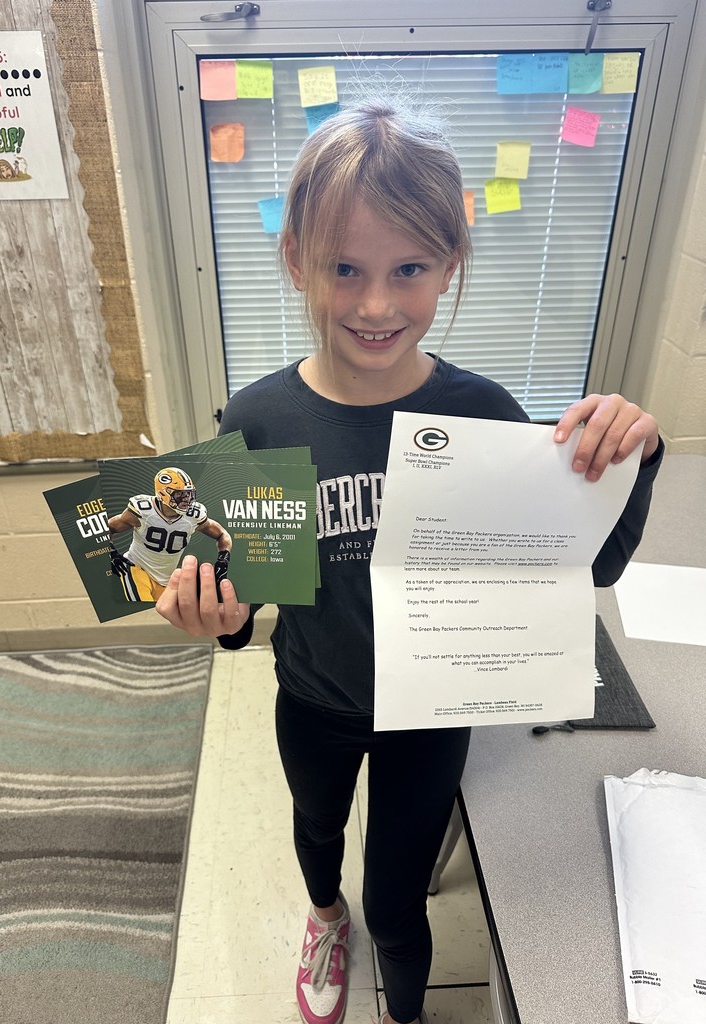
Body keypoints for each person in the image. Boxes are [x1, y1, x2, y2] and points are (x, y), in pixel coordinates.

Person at [156, 102, 663, 1024]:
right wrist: (220, 621)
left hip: (432, 717)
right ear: (296, 259)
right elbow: (248, 599)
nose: (376, 303)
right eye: (343, 267)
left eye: (409, 269)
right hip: (312, 696)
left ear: (449, 266)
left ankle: (403, 1009)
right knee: (316, 833)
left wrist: (634, 453)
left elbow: (591, 566)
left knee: (399, 900)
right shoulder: (259, 422)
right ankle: (321, 915)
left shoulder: (485, 413)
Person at [108, 466, 232, 602]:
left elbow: (222, 534)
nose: (186, 499)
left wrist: (223, 560)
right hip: (136, 567)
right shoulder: (143, 510)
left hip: (166, 579)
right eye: (180, 494)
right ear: (163, 494)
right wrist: (111, 553)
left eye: (188, 494)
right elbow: (108, 527)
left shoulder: (194, 516)